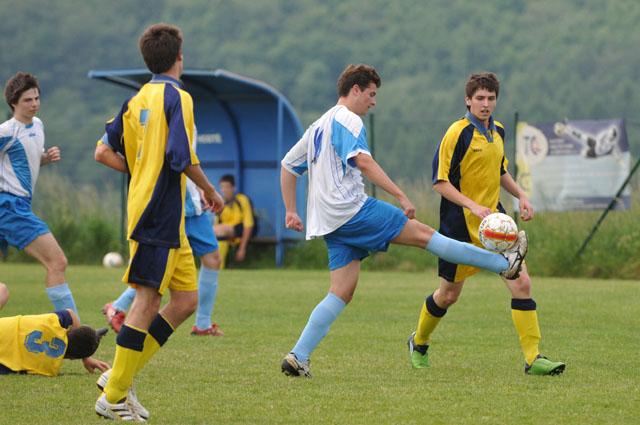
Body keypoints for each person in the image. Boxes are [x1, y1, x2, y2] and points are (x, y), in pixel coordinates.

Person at [279, 64, 528, 378]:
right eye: (371, 94)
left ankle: (298, 356)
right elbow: (363, 161)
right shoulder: (348, 119)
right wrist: (400, 195)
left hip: (329, 222)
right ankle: (503, 263)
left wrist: (291, 210)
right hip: (352, 210)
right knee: (426, 236)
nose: (373, 102)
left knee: (341, 291)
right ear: (355, 90)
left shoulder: (318, 124)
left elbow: (288, 166)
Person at [91, 23, 224, 421]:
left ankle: (118, 376)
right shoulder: (178, 97)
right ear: (180, 57)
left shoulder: (135, 100)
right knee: (148, 301)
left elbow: (102, 151)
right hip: (157, 214)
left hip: (161, 216)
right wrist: (211, 191)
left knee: (185, 301)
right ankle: (114, 395)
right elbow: (181, 158)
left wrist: (140, 171)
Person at [407, 72, 565, 375]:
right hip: (458, 228)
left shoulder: (498, 131)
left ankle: (533, 359)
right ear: (468, 100)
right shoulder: (457, 133)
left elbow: (500, 171)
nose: (486, 104)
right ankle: (420, 342)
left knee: (522, 282)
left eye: (491, 98)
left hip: (496, 227)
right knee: (448, 295)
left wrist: (521, 195)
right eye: (479, 98)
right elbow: (439, 182)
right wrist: (471, 204)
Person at [99, 129, 225, 337]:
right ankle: (120, 309)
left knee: (212, 258)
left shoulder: (187, 117)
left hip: (192, 205)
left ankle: (202, 323)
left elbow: (188, 158)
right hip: (173, 203)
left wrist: (201, 188)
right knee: (163, 267)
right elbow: (103, 152)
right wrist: (141, 171)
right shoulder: (160, 115)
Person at [0, 72, 81, 317]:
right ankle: (76, 332)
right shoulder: (6, 132)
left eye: (36, 98)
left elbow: (26, 161)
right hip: (9, 206)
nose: (34, 104)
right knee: (58, 262)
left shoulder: (38, 125)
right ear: (13, 102)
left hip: (18, 205)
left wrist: (45, 158)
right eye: (28, 100)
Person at [0, 308, 109, 376]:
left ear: (68, 329)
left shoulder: (53, 322)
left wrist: (86, 358)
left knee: (3, 290)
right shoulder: (48, 369)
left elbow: (71, 313)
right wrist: (85, 355)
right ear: (73, 358)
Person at [213, 174, 255, 268]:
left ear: (233, 188)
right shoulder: (222, 202)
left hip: (241, 229)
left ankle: (219, 267)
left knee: (220, 230)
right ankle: (214, 264)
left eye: (227, 187)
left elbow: (249, 224)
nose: (224, 190)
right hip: (226, 231)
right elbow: (216, 226)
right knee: (213, 231)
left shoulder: (242, 199)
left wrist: (242, 248)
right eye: (222, 187)